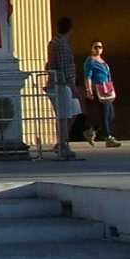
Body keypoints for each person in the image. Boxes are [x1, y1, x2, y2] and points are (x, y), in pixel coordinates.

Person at [44, 16, 83, 160]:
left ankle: (61, 142)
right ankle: (63, 144)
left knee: (72, 112)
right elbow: (62, 67)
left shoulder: (55, 42)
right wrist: (72, 86)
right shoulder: (61, 44)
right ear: (70, 29)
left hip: (60, 83)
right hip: (62, 84)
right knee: (64, 115)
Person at [83, 41, 120, 147]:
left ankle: (91, 131)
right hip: (98, 89)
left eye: (100, 47)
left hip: (107, 89)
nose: (98, 49)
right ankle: (108, 138)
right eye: (96, 47)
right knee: (104, 114)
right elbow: (88, 76)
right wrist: (89, 89)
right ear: (92, 48)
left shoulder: (103, 62)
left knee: (110, 115)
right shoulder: (90, 61)